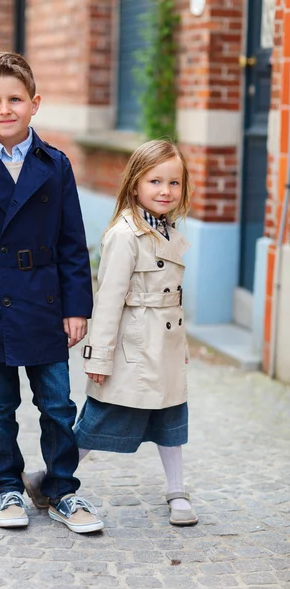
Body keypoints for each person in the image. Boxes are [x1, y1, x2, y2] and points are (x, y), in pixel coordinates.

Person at [0, 51, 104, 534]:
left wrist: (77, 307)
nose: (4, 109)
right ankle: (6, 487)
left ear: (35, 103)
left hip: (46, 302)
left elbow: (73, 243)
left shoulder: (55, 165)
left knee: (57, 404)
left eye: (15, 99)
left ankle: (62, 491)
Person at [74, 139, 198, 526]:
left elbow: (173, 300)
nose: (165, 191)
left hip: (166, 344)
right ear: (135, 185)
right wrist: (100, 355)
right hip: (134, 347)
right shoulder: (125, 235)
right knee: (98, 419)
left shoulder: (168, 230)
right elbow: (108, 299)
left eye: (174, 183)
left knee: (171, 416)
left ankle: (177, 491)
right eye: (155, 181)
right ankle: (53, 478)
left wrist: (182, 347)